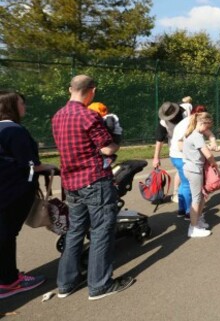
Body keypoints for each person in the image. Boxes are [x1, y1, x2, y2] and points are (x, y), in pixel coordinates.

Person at [52, 75, 133, 300]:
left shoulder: (58, 116)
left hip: (71, 183)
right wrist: (116, 134)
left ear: (70, 89)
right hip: (94, 180)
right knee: (101, 230)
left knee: (75, 230)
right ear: (92, 91)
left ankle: (66, 283)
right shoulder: (88, 116)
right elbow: (108, 149)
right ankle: (99, 285)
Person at [0, 90, 56, 299]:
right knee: (7, 235)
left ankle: (6, 277)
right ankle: (9, 281)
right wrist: (49, 166)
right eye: (21, 104)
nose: (24, 107)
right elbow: (31, 164)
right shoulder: (14, 131)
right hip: (11, 191)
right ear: (11, 107)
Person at [171, 105, 212, 221]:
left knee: (184, 184)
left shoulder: (189, 125)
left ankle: (182, 210)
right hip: (184, 159)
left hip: (178, 156)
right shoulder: (194, 132)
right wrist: (214, 164)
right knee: (190, 189)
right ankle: (190, 214)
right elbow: (207, 154)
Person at [182, 112, 218, 238]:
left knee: (200, 197)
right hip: (194, 170)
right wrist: (215, 165)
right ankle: (193, 227)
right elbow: (208, 155)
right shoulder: (197, 136)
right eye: (207, 127)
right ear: (202, 123)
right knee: (196, 199)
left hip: (191, 168)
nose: (208, 130)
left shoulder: (190, 133)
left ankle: (197, 221)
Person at [153, 101, 184, 202]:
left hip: (188, 144)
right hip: (175, 147)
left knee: (184, 171)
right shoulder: (163, 123)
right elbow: (159, 140)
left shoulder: (185, 113)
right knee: (181, 169)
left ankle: (180, 193)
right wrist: (156, 158)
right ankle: (176, 193)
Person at [87, 102, 122, 169]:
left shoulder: (109, 117)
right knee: (100, 148)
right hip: (114, 135)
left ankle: (109, 158)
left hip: (114, 136)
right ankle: (108, 158)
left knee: (101, 148)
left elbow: (110, 126)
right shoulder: (106, 117)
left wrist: (104, 132)